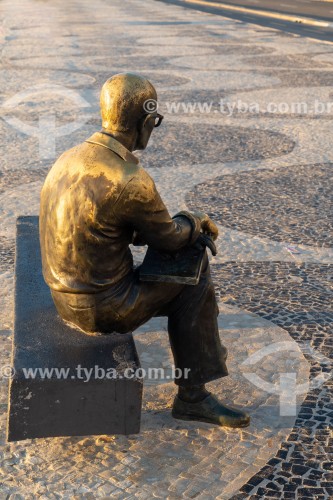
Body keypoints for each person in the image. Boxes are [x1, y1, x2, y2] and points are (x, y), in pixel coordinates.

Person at [39, 73, 250, 428]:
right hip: (103, 308)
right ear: (146, 121)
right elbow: (169, 237)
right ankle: (193, 397)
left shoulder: (69, 157)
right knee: (194, 273)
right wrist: (195, 221)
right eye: (154, 121)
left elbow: (101, 223)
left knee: (185, 262)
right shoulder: (128, 179)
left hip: (61, 296)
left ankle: (201, 357)